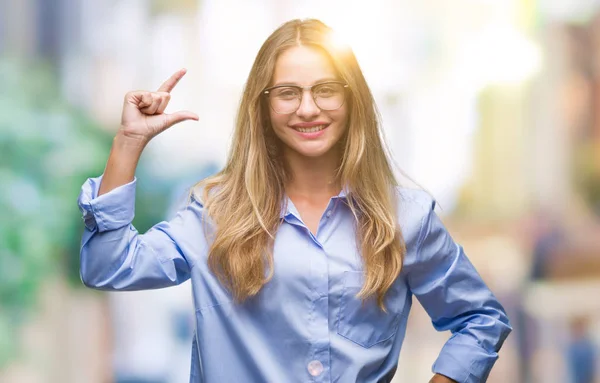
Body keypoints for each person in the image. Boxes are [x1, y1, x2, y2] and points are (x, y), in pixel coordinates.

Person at [78, 19, 512, 383]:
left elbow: (480, 320)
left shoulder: (406, 218)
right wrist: (129, 143)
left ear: (352, 99)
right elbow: (108, 266)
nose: (307, 108)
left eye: (325, 89)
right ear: (263, 107)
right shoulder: (215, 214)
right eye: (287, 92)